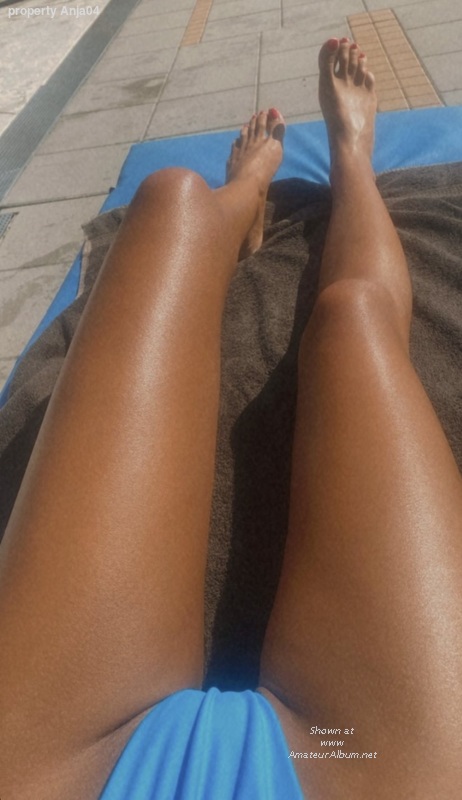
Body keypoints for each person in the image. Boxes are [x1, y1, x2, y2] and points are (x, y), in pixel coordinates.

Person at [1, 36, 461, 800]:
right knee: (355, 317)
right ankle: (350, 161)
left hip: (51, 776)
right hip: (365, 766)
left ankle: (249, 193)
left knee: (170, 200)